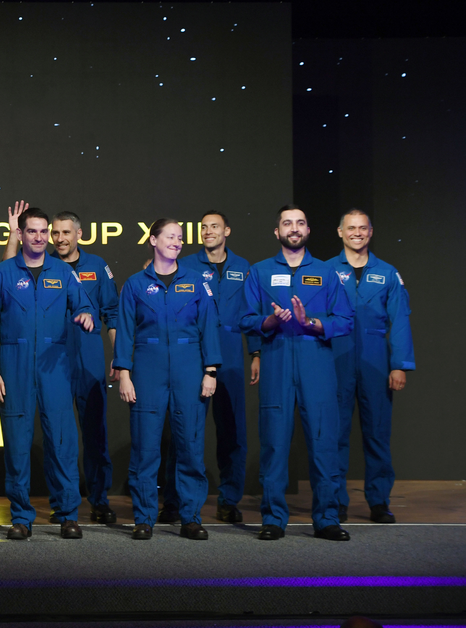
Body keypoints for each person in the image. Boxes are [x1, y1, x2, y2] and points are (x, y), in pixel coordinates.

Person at [0, 207, 97, 540]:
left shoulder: (62, 272)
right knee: (17, 445)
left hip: (55, 366)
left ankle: (68, 515)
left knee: (62, 442)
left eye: (43, 232)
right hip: (14, 367)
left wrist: (87, 316)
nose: (40, 237)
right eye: (32, 231)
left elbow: (85, 304)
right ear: (20, 234)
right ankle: (21, 516)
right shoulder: (2, 273)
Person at [240, 205, 354, 541]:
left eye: (300, 222)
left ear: (308, 231)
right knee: (274, 444)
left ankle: (327, 519)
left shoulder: (326, 273)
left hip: (315, 362)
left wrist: (311, 323)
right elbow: (246, 319)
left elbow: (345, 320)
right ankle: (274, 519)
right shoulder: (259, 272)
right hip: (276, 361)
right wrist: (270, 321)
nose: (294, 228)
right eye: (287, 223)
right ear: (277, 232)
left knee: (323, 444)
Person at [2, 203, 119, 524]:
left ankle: (99, 499)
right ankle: (61, 504)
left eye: (65, 232)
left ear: (79, 234)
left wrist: (119, 358)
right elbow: (7, 282)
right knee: (58, 435)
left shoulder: (96, 266)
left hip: (89, 358)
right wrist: (13, 235)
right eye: (55, 232)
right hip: (52, 362)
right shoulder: (47, 267)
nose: (59, 238)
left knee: (94, 432)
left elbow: (112, 313)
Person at [113, 219, 222, 541]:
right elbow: (125, 332)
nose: (176, 242)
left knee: (189, 446)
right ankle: (144, 518)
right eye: (170, 236)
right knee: (145, 448)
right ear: (153, 240)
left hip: (190, 369)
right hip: (147, 370)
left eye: (179, 237)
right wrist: (124, 374)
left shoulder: (197, 282)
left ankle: (190, 517)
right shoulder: (135, 284)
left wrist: (210, 371)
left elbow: (209, 327)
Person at [158, 211, 260, 525]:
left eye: (214, 226)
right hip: (192, 354)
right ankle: (175, 502)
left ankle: (229, 501)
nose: (208, 231)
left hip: (230, 354)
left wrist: (255, 352)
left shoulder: (244, 268)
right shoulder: (185, 265)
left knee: (232, 430)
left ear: (227, 230)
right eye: (203, 227)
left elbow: (253, 310)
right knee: (184, 432)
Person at [328, 209, 414, 524]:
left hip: (376, 359)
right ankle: (335, 500)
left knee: (377, 432)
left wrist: (400, 365)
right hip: (336, 357)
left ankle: (379, 501)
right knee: (334, 432)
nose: (357, 233)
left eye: (362, 228)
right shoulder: (325, 271)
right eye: (351, 228)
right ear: (340, 232)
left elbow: (401, 321)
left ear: (371, 232)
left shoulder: (389, 273)